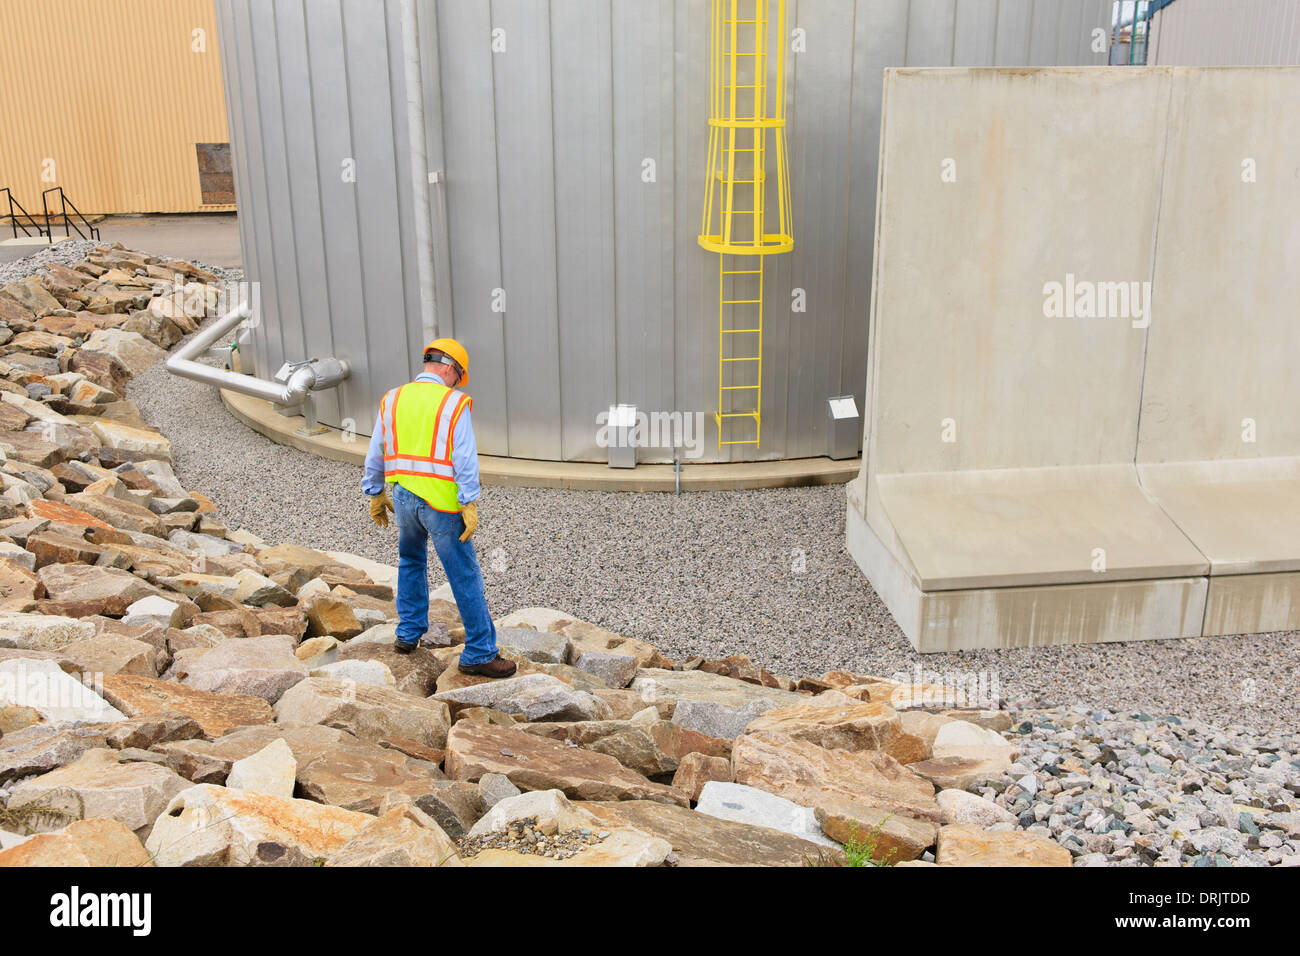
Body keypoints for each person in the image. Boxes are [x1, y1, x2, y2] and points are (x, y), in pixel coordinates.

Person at [361, 338, 516, 677]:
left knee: (410, 561)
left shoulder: (393, 398)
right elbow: (464, 457)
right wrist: (468, 501)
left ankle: (408, 633)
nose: (456, 382)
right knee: (463, 574)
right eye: (458, 376)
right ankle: (478, 652)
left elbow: (376, 449)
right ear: (449, 368)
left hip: (403, 498)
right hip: (442, 504)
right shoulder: (454, 403)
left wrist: (374, 491)